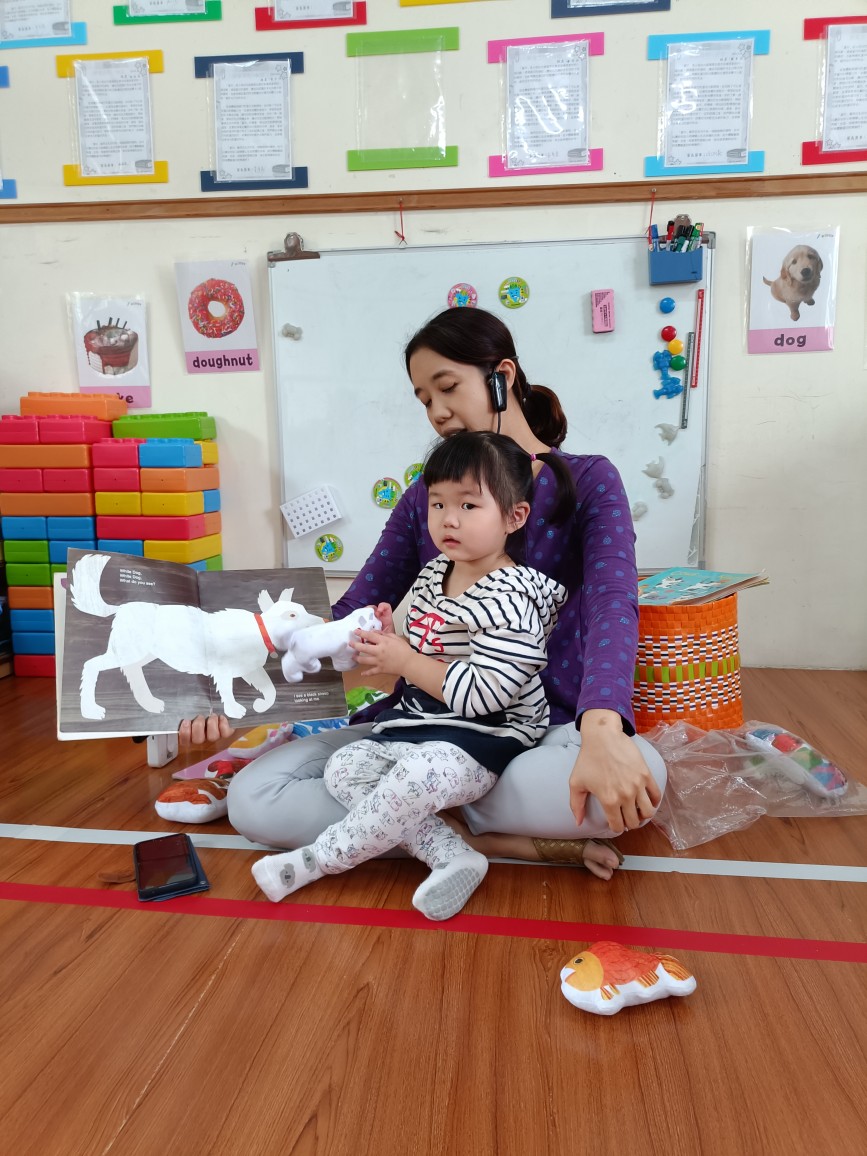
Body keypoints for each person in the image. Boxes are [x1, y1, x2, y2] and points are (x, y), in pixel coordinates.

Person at [187, 306, 666, 880]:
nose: (437, 412)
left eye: (448, 388)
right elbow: (349, 614)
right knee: (255, 799)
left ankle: (408, 818)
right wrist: (233, 690)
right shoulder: (424, 497)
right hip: (419, 726)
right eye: (423, 399)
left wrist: (603, 730)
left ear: (502, 377)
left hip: (540, 731)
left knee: (641, 783)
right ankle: (479, 835)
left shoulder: (587, 480)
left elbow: (612, 605)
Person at [252, 431, 568, 919]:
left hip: (487, 734)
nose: (448, 519)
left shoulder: (514, 597)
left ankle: (318, 860)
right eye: (438, 503)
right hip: (420, 724)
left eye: (468, 505)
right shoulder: (433, 573)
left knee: (417, 775)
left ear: (514, 517)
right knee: (344, 767)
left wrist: (405, 661)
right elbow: (423, 651)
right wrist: (389, 637)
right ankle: (452, 854)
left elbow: (485, 695)